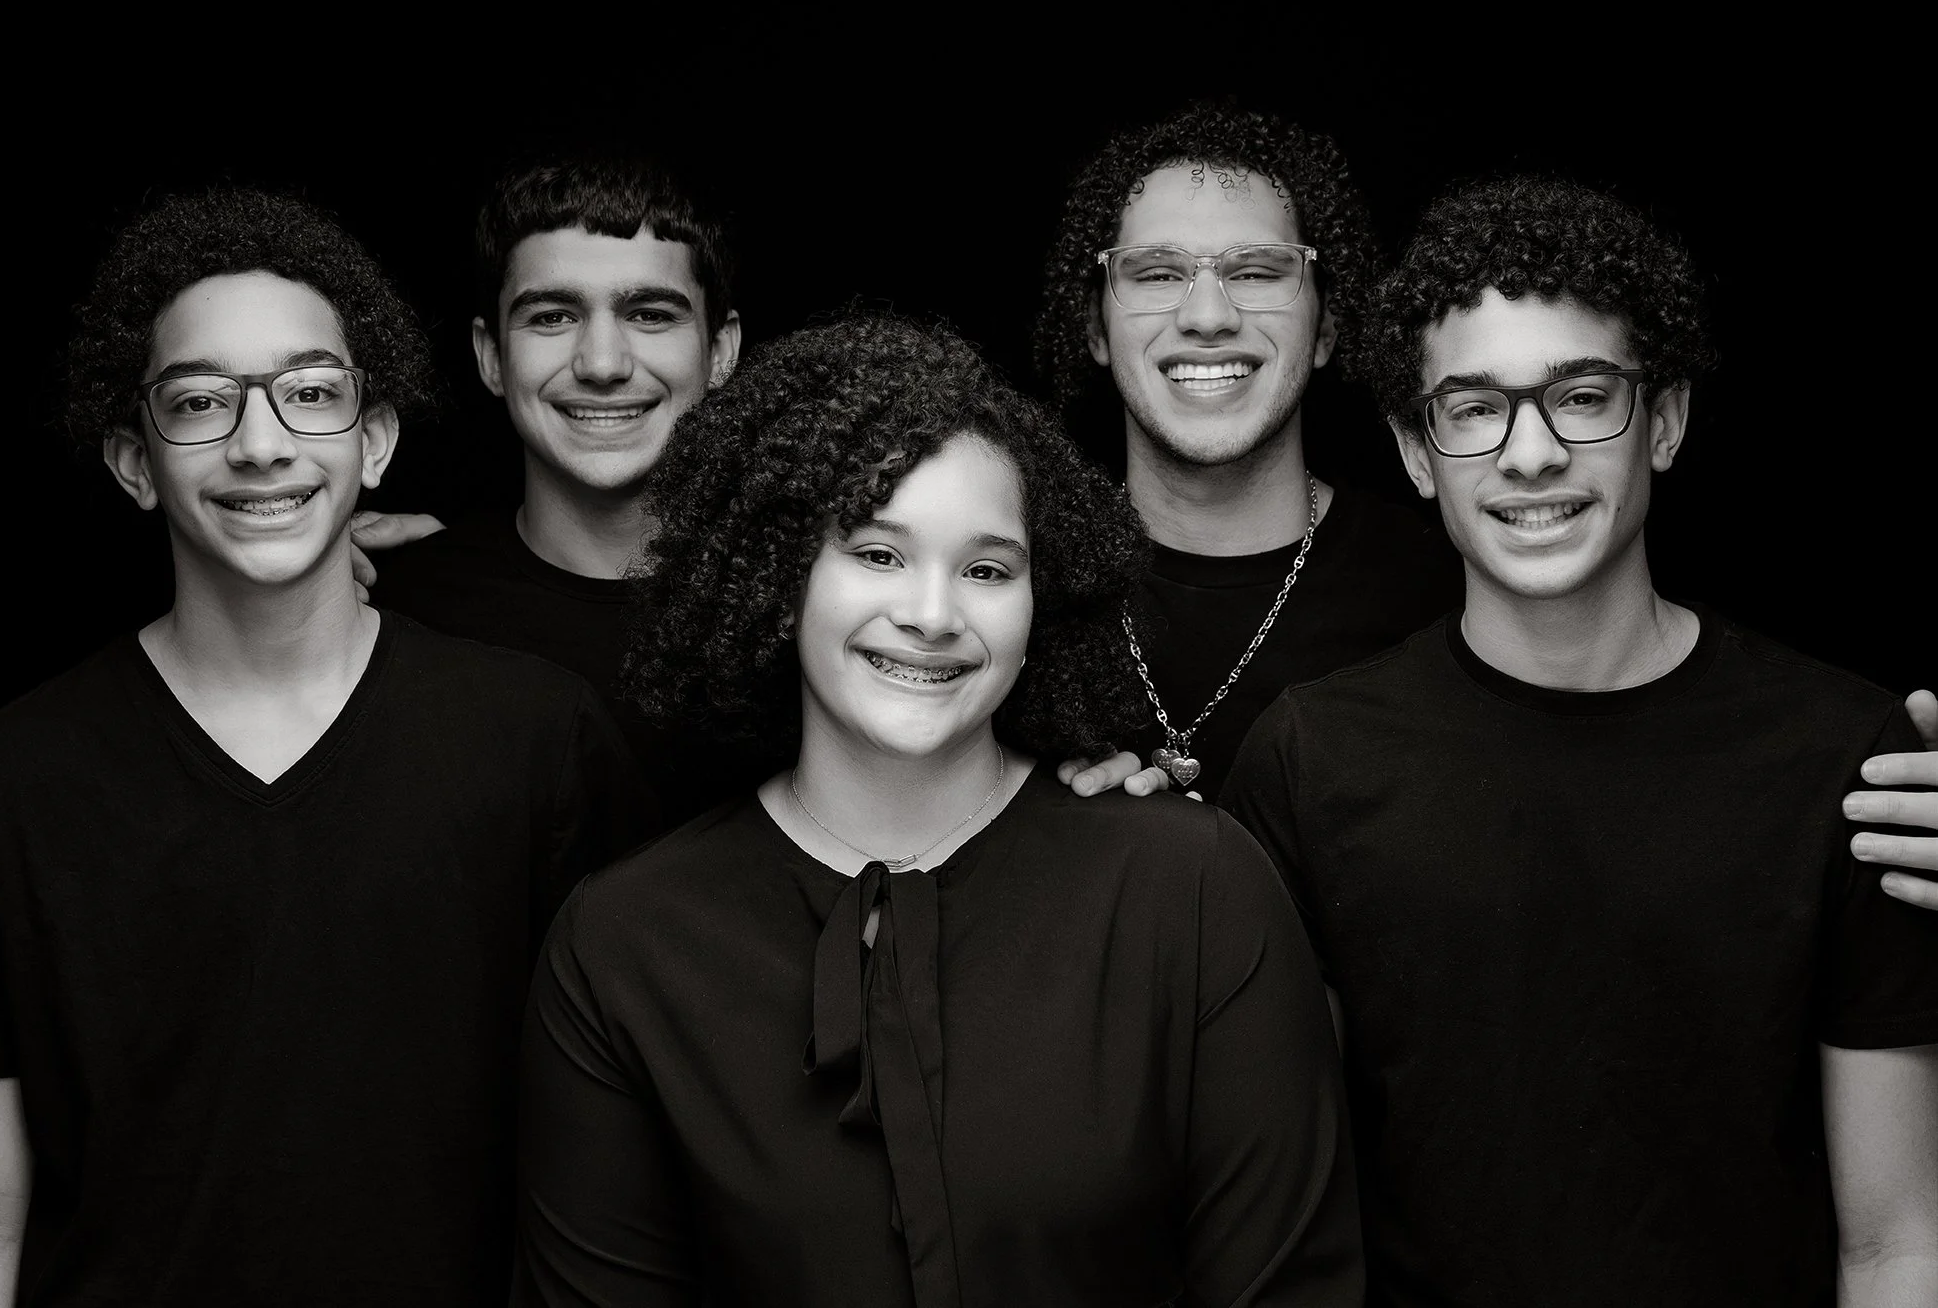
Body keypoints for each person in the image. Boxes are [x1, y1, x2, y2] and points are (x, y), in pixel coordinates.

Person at [512, 314, 1362, 1306]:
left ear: (1043, 601)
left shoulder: (1195, 890)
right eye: (877, 554)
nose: (931, 614)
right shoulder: (623, 948)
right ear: (778, 575)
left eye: (987, 569)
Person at [1220, 176, 1937, 1306]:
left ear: (1666, 420)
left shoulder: (1847, 759)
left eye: (1582, 396)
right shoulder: (1311, 761)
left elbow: (1897, 1245)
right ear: (1416, 452)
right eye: (1473, 408)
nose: (1531, 453)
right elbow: (1262, 1206)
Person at [0, 190, 656, 1305]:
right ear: (134, 462)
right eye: (200, 402)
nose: (260, 444)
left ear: (373, 441)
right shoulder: (12, 775)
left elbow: (626, 1139)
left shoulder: (536, 738)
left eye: (309, 393)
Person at [1033, 100, 1463, 802]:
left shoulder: (1441, 594)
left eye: (1258, 272)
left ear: (1325, 327)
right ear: (1096, 329)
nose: (1208, 316)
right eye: (1157, 273)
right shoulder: (1021, 585)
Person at [367, 157, 743, 823]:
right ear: (490, 356)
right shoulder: (392, 607)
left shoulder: (805, 608)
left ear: (720, 352)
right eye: (551, 317)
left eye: (650, 314)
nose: (602, 364)